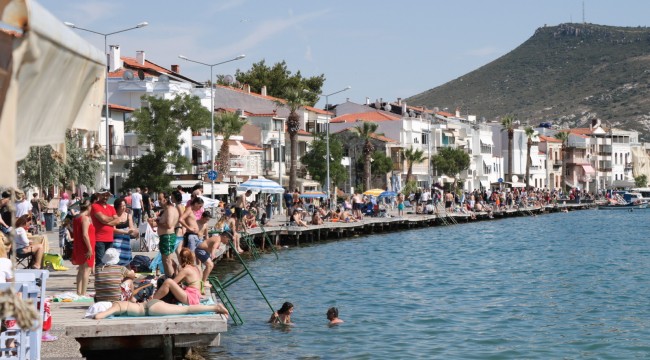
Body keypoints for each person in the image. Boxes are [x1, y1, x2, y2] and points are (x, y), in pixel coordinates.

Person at [149, 192, 180, 277]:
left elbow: (169, 225)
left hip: (168, 237)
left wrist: (157, 222)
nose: (158, 201)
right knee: (165, 260)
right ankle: (169, 278)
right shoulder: (166, 210)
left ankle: (171, 280)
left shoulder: (170, 210)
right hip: (164, 237)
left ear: (165, 200)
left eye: (160, 199)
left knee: (167, 260)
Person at [94, 300, 228, 319]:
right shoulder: (119, 303)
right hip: (150, 305)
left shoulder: (116, 306)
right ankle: (214, 307)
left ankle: (215, 307)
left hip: (151, 309)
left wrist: (98, 314)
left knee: (186, 310)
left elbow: (99, 317)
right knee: (185, 309)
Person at [91, 188, 120, 267]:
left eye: (107, 195)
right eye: (103, 195)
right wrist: (112, 218)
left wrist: (105, 222)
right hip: (99, 238)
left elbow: (117, 220)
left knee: (109, 261)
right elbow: (103, 219)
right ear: (98, 196)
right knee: (100, 261)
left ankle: (106, 278)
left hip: (110, 238)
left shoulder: (111, 207)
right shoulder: (95, 206)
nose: (105, 197)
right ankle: (99, 278)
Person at [72, 200, 95, 296]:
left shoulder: (77, 217)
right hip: (86, 246)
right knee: (87, 269)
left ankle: (78, 291)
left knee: (81, 269)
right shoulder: (85, 218)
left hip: (79, 245)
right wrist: (90, 249)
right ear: (89, 207)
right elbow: (85, 234)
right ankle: (83, 292)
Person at [112, 198, 138, 266]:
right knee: (116, 259)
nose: (123, 207)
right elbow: (113, 229)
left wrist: (134, 231)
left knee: (126, 259)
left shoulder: (128, 215)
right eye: (121, 206)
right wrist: (126, 232)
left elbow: (131, 227)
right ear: (117, 206)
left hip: (125, 241)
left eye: (124, 205)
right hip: (116, 241)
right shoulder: (114, 216)